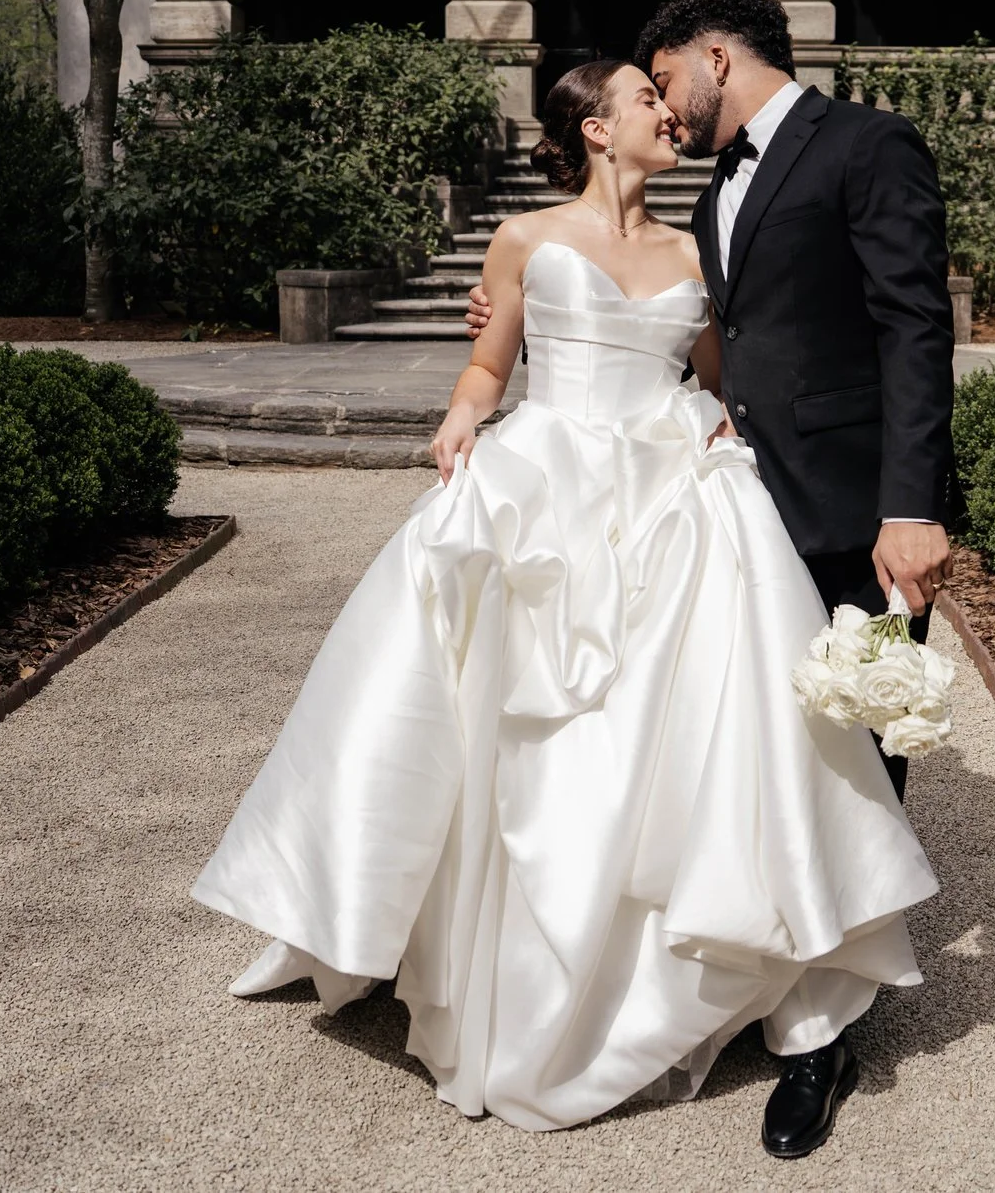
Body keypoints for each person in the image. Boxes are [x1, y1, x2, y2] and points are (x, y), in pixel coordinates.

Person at [194, 57, 938, 1158]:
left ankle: (747, 975)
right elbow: (488, 367)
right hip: (548, 490)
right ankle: (517, 957)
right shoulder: (523, 242)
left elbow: (722, 371)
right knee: (526, 731)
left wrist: (733, 433)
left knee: (707, 727)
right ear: (595, 128)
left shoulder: (700, 251)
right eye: (644, 97)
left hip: (677, 493)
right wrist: (460, 416)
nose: (664, 109)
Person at [461, 0, 960, 1144]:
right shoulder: (714, 189)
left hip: (855, 515)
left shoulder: (870, 145)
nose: (668, 107)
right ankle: (739, 968)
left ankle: (823, 1034)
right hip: (731, 505)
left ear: (717, 56)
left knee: (854, 764)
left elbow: (912, 323)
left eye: (668, 75)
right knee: (735, 755)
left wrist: (911, 504)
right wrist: (512, 304)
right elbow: (698, 335)